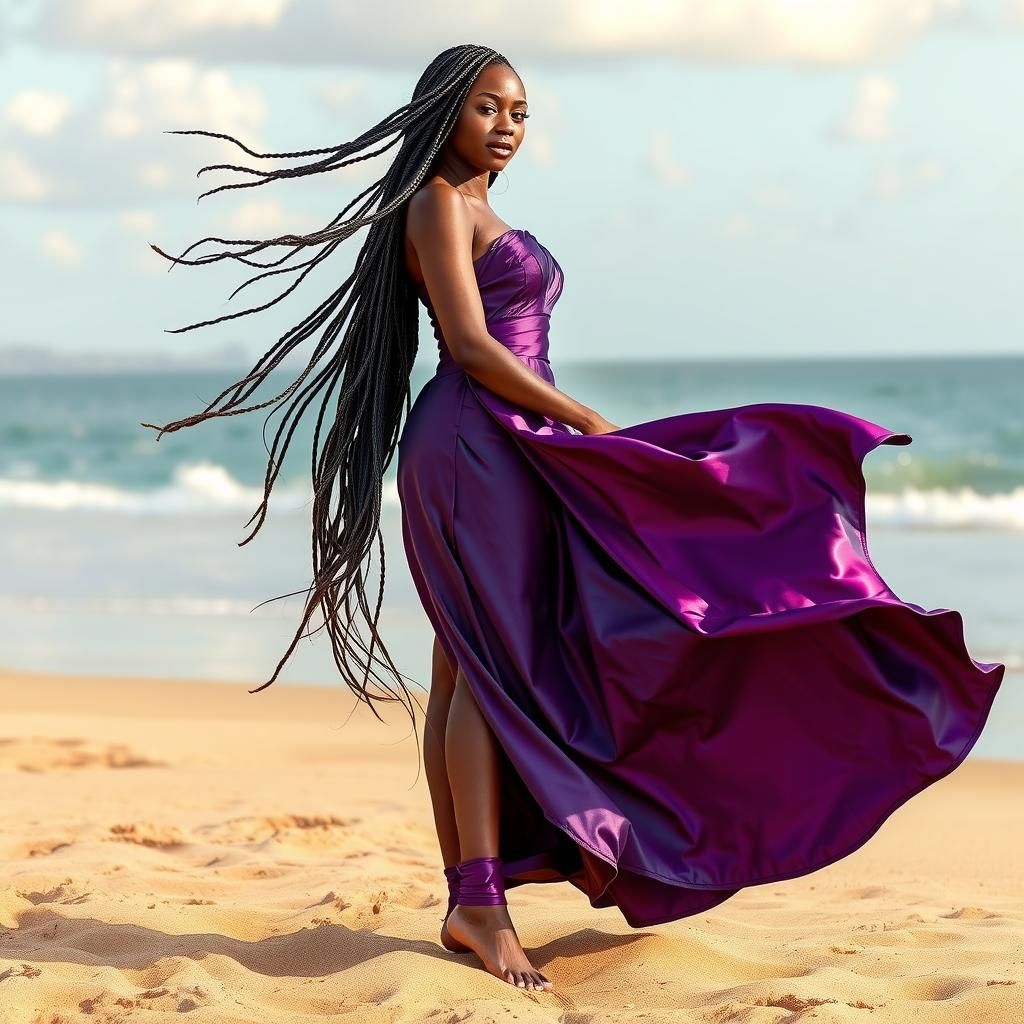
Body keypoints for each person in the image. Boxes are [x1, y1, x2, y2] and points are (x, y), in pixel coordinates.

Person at [142, 44, 1005, 996]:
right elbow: (469, 344)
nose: (508, 125)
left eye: (522, 111)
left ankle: (472, 895)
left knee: (471, 659)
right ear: (444, 111)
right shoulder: (434, 200)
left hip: (510, 434)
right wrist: (585, 418)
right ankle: (477, 902)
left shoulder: (482, 209)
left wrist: (561, 418)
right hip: (475, 442)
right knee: (483, 659)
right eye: (488, 108)